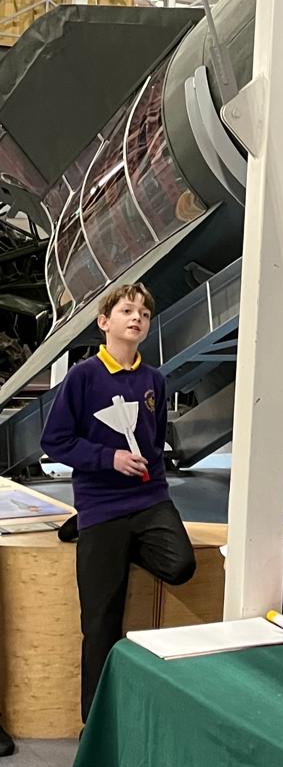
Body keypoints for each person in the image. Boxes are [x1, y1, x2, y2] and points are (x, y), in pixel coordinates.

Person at [41, 282, 196, 723]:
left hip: (148, 501)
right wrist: (108, 458)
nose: (137, 319)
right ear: (104, 322)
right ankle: (94, 722)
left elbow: (155, 442)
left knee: (181, 565)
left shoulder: (154, 381)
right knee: (101, 622)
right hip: (102, 502)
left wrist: (156, 487)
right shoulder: (82, 377)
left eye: (144, 314)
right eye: (127, 311)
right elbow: (55, 441)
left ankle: (115, 542)